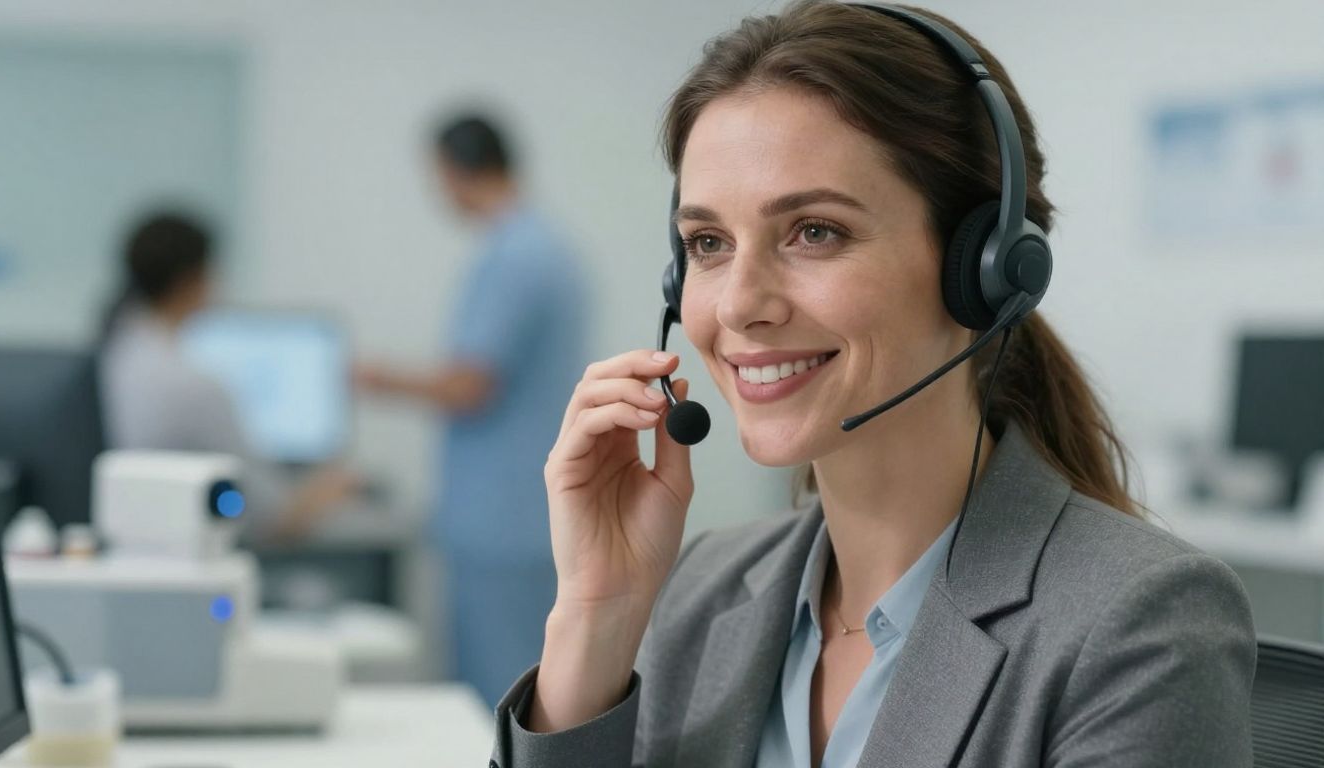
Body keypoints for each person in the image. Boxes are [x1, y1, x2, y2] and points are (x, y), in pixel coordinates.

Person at [490, 3, 1256, 767]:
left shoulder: (1142, 626)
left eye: (815, 231)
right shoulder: (702, 588)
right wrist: (596, 617)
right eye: (708, 243)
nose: (738, 305)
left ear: (983, 271)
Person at [356, 115, 588, 706]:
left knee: (503, 697)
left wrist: (375, 378)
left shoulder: (517, 256)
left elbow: (469, 385)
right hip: (511, 517)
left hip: (503, 527)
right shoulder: (540, 246)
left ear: (455, 171)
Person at [99, 211, 358, 540]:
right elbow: (269, 516)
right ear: (194, 279)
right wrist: (327, 490)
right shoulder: (191, 385)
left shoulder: (114, 355)